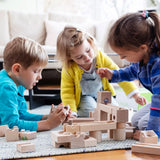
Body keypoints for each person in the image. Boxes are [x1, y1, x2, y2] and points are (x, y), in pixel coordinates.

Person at [56, 26, 146, 118]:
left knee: (115, 111)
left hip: (103, 92)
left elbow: (118, 74)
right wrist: (71, 112)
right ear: (69, 57)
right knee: (91, 112)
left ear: (90, 43)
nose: (87, 57)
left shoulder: (100, 57)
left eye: (88, 51)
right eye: (79, 57)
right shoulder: (68, 68)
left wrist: (135, 95)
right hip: (85, 97)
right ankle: (84, 111)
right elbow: (67, 92)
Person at [97, 10, 160, 137]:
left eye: (124, 55)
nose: (121, 58)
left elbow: (158, 101)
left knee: (144, 125)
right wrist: (113, 75)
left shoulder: (158, 65)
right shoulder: (142, 58)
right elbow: (131, 72)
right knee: (135, 121)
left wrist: (151, 132)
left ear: (142, 48)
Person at [0, 36, 69, 132]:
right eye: (36, 71)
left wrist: (47, 117)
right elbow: (10, 125)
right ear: (17, 69)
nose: (40, 77)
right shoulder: (6, 86)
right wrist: (48, 124)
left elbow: (21, 114)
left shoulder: (16, 80)